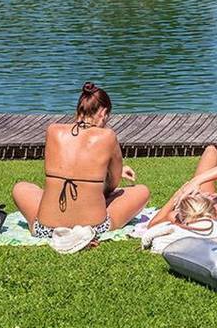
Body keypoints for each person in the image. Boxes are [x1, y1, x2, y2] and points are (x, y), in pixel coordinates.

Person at [11, 82, 149, 239]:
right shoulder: (107, 136)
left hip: (45, 228)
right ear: (103, 113)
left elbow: (71, 166)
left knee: (20, 188)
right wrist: (105, 180)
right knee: (142, 191)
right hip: (94, 228)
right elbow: (113, 185)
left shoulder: (53, 130)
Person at [146, 145, 217, 235]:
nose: (209, 195)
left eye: (196, 194)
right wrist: (196, 181)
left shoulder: (177, 218)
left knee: (211, 150)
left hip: (203, 209)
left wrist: (180, 192)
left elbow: (153, 225)